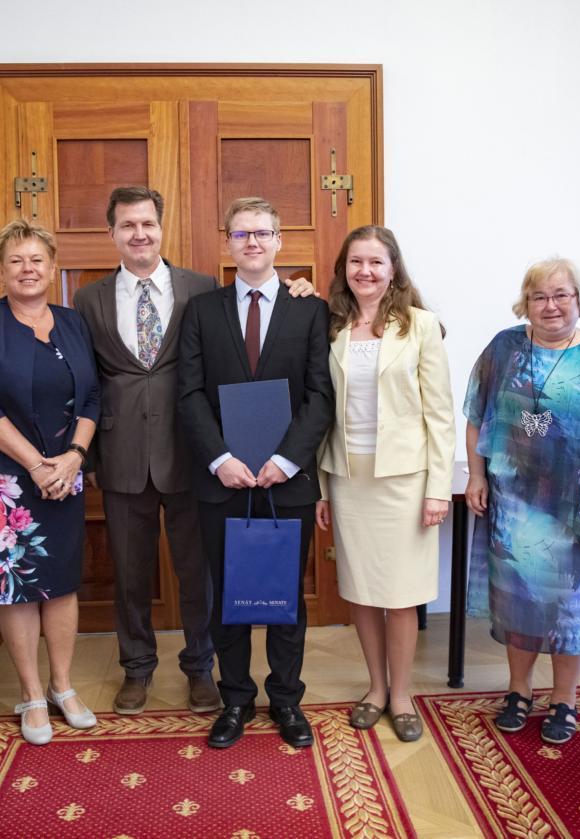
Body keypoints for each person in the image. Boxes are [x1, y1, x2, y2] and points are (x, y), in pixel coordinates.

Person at [73, 187, 317, 716]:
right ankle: (136, 670)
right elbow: (84, 381)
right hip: (123, 456)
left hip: (193, 456)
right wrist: (85, 455)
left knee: (200, 575)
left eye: (148, 224)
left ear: (162, 229)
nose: (139, 233)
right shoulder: (88, 299)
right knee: (131, 575)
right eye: (127, 225)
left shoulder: (199, 288)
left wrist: (299, 286)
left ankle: (201, 669)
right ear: (112, 233)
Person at [464, 257, 580, 745]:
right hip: (513, 506)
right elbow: (477, 416)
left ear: (579, 300)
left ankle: (565, 699)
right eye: (540, 296)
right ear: (526, 302)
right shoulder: (503, 348)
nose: (551, 305)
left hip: (578, 507)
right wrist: (476, 475)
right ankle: (518, 691)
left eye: (561, 295)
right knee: (519, 601)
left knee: (571, 607)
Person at [178, 197, 334, 750]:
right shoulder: (202, 310)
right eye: (241, 233)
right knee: (229, 595)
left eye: (262, 233)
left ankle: (287, 698)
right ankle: (236, 699)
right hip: (223, 480)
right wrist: (220, 459)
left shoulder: (311, 311)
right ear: (228, 241)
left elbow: (321, 395)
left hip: (287, 479)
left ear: (279, 240)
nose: (252, 242)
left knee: (286, 593)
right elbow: (189, 393)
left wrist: (286, 459)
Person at [0, 219, 101, 746]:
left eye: (36, 259)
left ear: (53, 266)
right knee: (16, 588)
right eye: (16, 260)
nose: (27, 269)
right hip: (5, 479)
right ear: (1, 269)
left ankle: (64, 686)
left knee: (60, 584)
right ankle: (33, 694)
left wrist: (73, 457)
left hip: (66, 472)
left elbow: (92, 398)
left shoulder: (71, 321)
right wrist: (38, 465)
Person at [315, 225, 454, 743]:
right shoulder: (329, 326)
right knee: (362, 591)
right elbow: (320, 411)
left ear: (393, 268)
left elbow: (440, 415)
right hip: (348, 477)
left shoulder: (421, 326)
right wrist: (322, 491)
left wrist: (438, 487)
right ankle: (375, 689)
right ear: (343, 269)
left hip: (406, 481)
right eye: (356, 263)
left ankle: (402, 694)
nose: (365, 272)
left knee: (401, 595)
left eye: (376, 262)